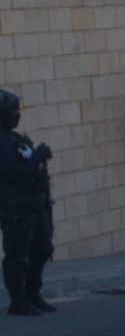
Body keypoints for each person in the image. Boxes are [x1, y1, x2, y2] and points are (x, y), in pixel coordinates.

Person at [0, 90, 55, 316]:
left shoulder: (13, 137)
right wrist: (38, 158)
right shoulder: (2, 141)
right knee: (18, 254)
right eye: (12, 110)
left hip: (36, 203)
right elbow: (11, 173)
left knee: (42, 248)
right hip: (17, 208)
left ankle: (33, 294)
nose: (17, 114)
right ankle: (18, 300)